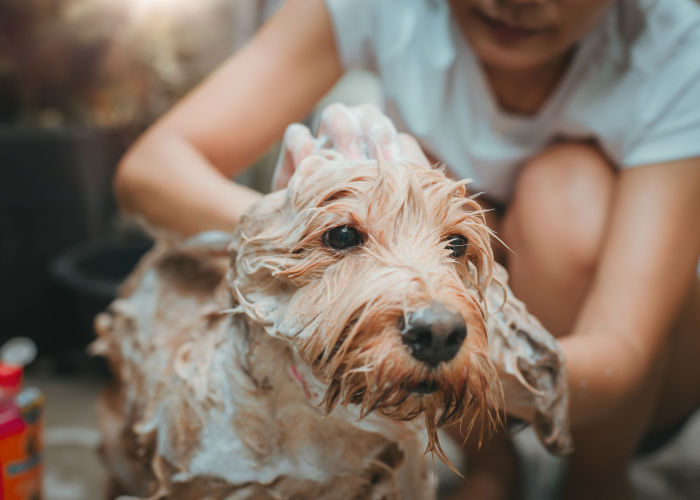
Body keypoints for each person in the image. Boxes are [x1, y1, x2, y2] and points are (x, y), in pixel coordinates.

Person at [114, 0, 700, 498]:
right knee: (417, 187)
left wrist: (495, 367)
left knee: (564, 195)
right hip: (471, 332)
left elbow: (623, 352)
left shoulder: (677, 44)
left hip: (633, 380)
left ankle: (598, 481)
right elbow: (150, 170)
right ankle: (492, 466)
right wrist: (304, 226)